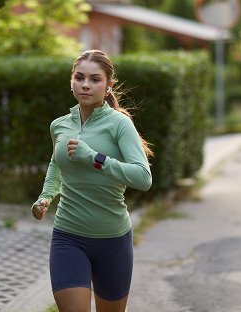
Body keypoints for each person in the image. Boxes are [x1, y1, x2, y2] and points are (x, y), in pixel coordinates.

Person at [31, 49, 153, 312]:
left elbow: (143, 178)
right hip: (68, 236)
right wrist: (45, 197)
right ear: (71, 81)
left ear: (109, 85)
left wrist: (96, 158)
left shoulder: (120, 124)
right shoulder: (59, 125)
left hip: (112, 239)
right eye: (79, 77)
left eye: (95, 79)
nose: (86, 84)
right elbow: (56, 163)